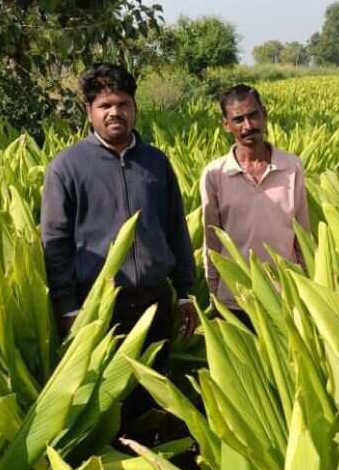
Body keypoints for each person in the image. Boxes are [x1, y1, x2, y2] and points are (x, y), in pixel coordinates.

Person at [40, 63, 197, 349]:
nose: (115, 112)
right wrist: (67, 308)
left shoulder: (156, 162)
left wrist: (185, 293)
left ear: (134, 107)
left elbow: (176, 228)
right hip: (98, 306)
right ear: (89, 111)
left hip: (155, 301)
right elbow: (55, 243)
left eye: (123, 103)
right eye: (105, 105)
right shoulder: (67, 167)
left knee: (154, 388)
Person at [200, 85, 310, 322]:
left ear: (264, 114)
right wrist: (213, 291)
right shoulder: (215, 174)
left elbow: (302, 235)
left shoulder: (291, 166)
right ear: (226, 124)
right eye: (238, 119)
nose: (248, 126)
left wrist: (308, 289)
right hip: (236, 296)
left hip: (285, 293)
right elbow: (211, 242)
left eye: (253, 115)